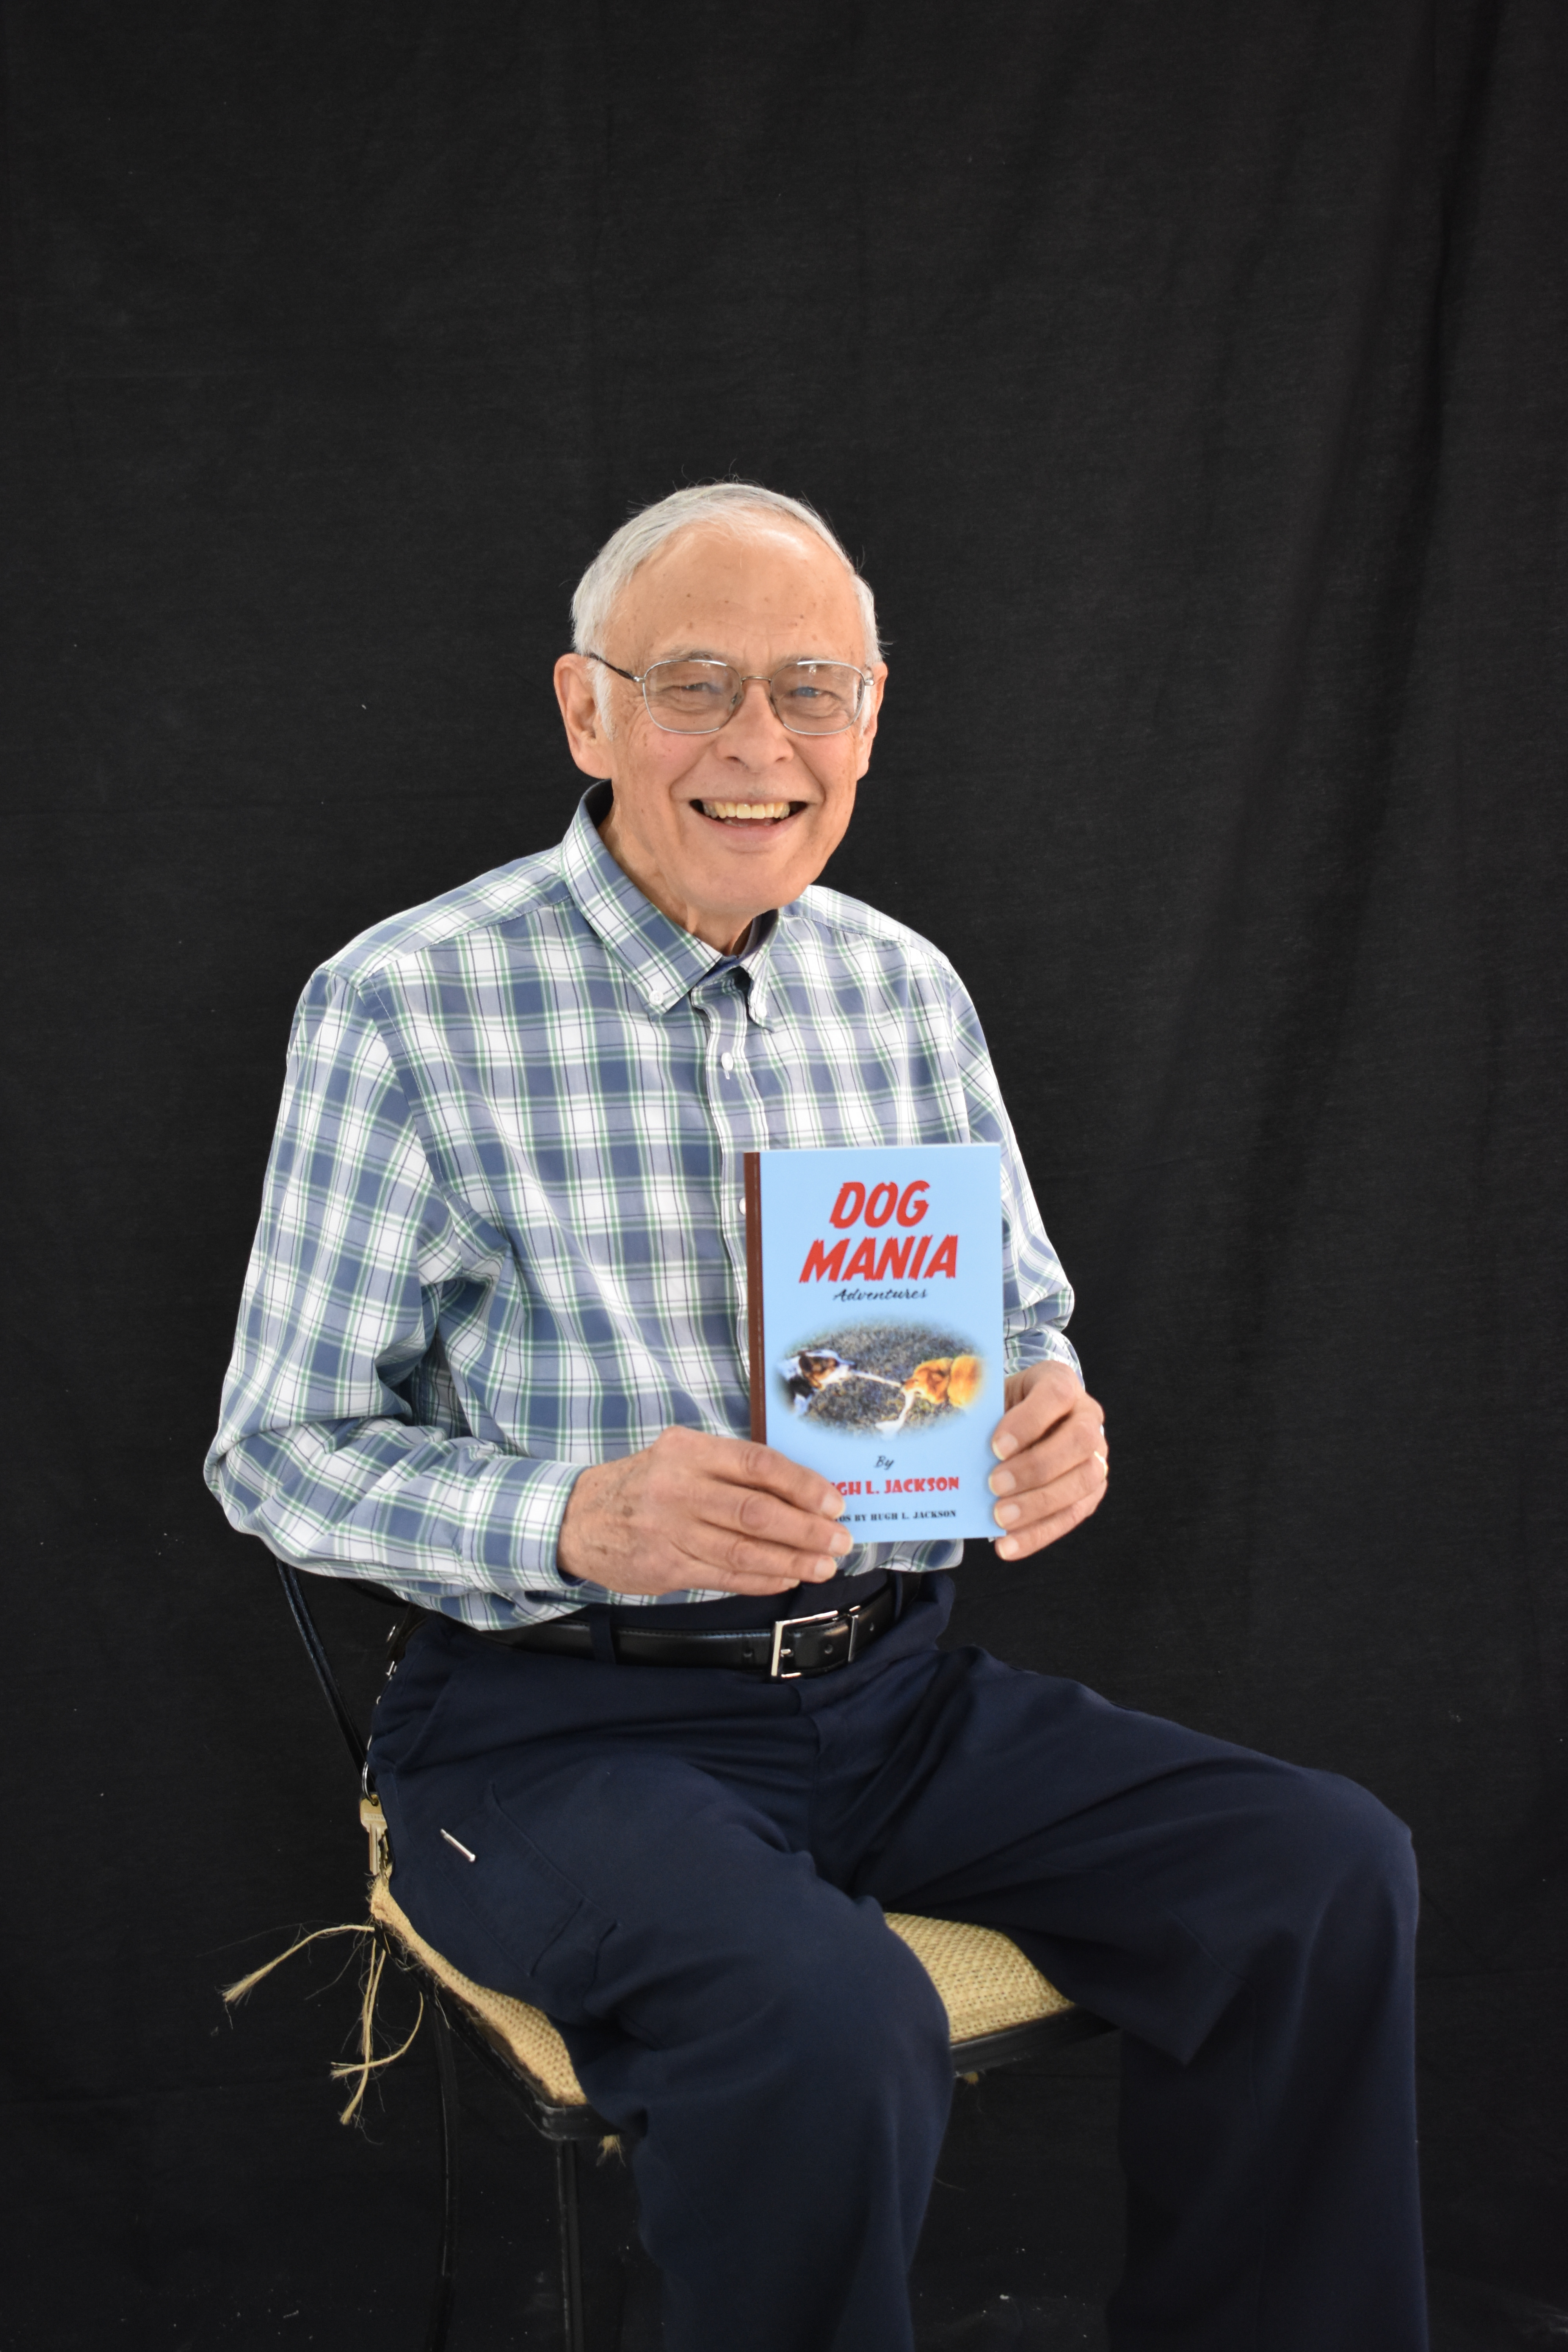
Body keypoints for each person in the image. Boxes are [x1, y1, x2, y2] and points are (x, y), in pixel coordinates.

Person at [207, 482, 1428, 2352]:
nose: (758, 744)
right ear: (587, 710)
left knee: (1321, 1872)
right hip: (554, 1732)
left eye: (811, 689)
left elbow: (1015, 1318)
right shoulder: (407, 1005)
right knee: (831, 2014)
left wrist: (1048, 1411)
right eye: (694, 685)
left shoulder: (900, 989)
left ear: (869, 717)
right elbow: (277, 1449)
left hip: (891, 1696)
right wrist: (570, 1518)